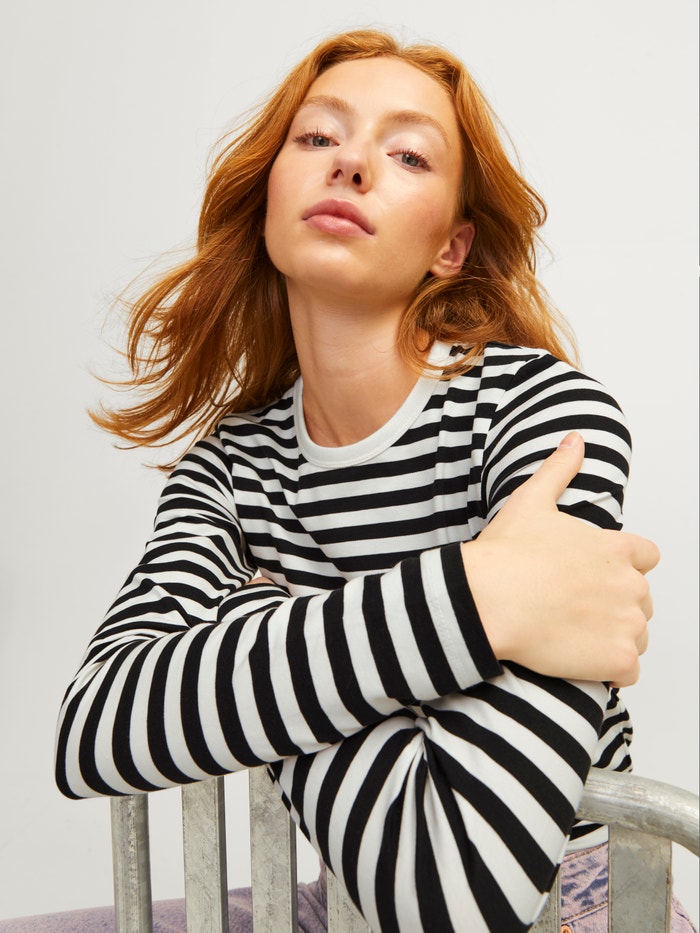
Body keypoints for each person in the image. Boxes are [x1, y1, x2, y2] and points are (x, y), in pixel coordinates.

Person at [50, 28, 693, 933]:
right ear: (267, 203)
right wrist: (480, 596)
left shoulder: (545, 419)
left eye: (408, 155)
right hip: (350, 888)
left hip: (574, 905)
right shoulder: (231, 464)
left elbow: (458, 896)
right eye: (318, 137)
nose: (350, 163)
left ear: (451, 247)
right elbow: (97, 725)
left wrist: (248, 621)